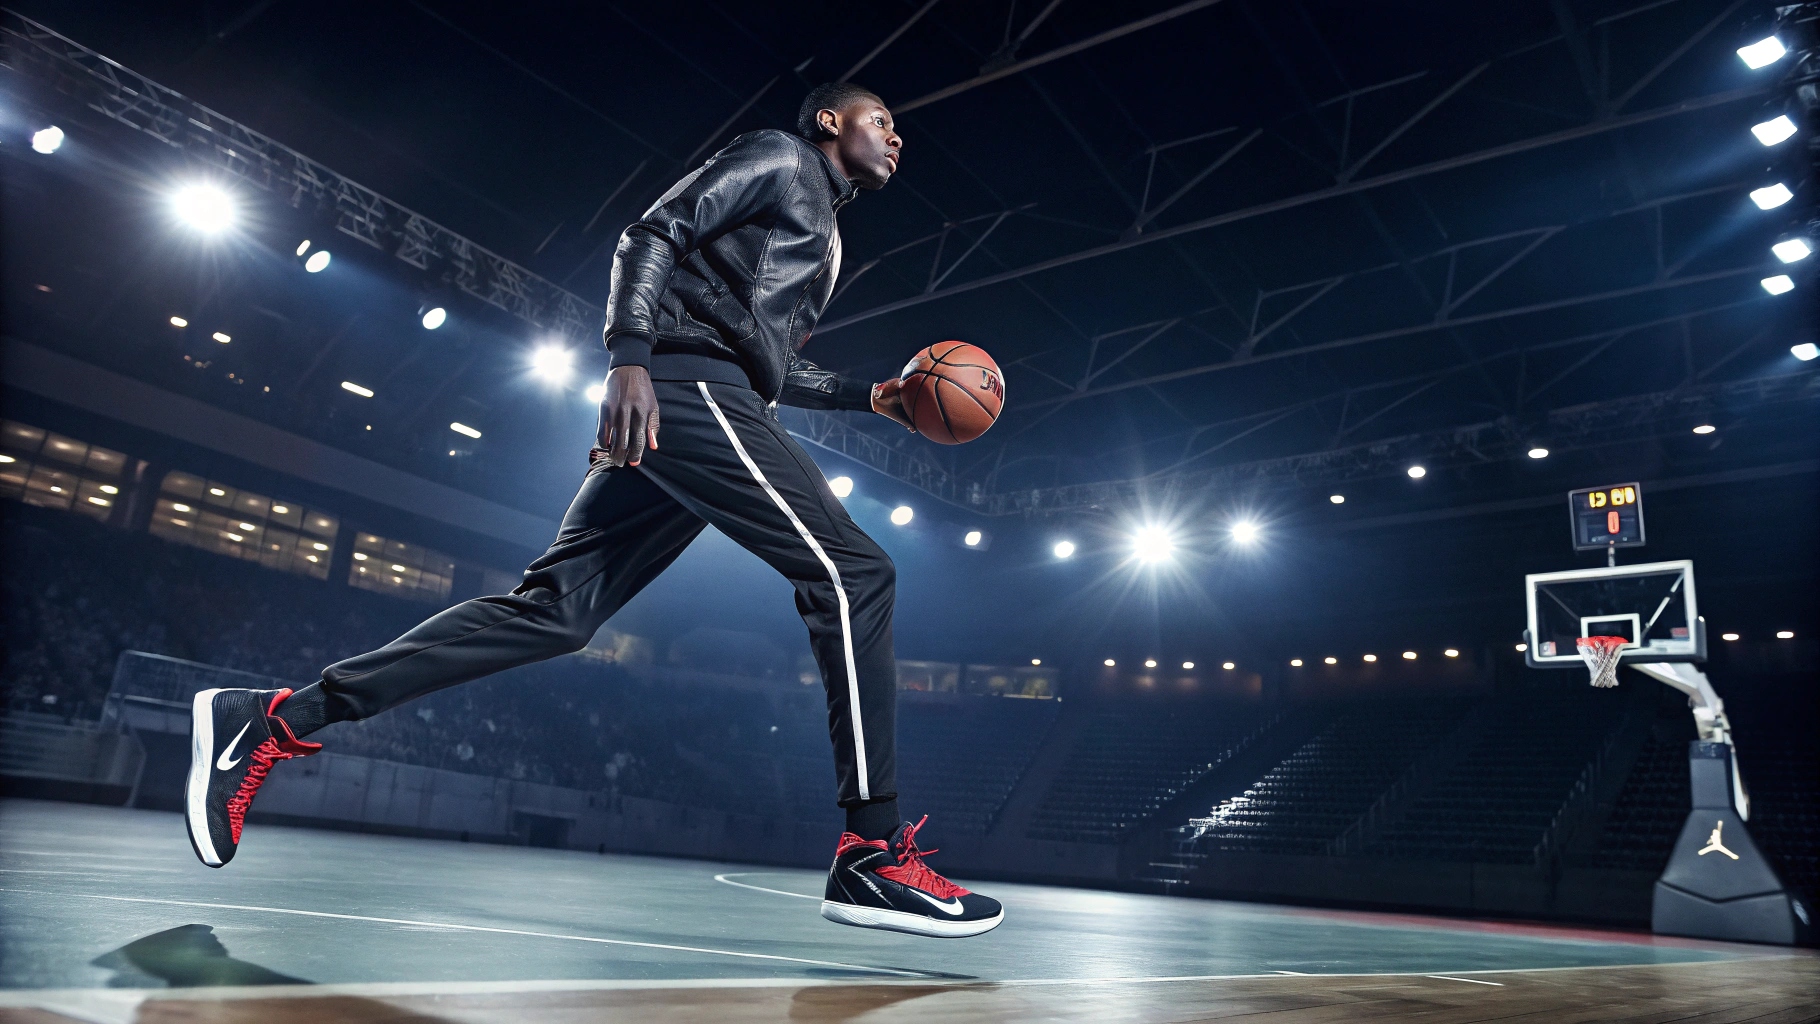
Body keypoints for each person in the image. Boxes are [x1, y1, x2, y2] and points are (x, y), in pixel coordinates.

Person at [181, 83, 1003, 938]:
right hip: (683, 390)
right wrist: (629, 358)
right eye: (884, 120)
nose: (897, 138)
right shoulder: (779, 156)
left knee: (554, 614)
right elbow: (653, 232)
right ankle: (870, 852)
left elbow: (762, 360)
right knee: (854, 573)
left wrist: (869, 395)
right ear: (832, 121)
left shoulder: (825, 239)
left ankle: (272, 719)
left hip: (703, 398)